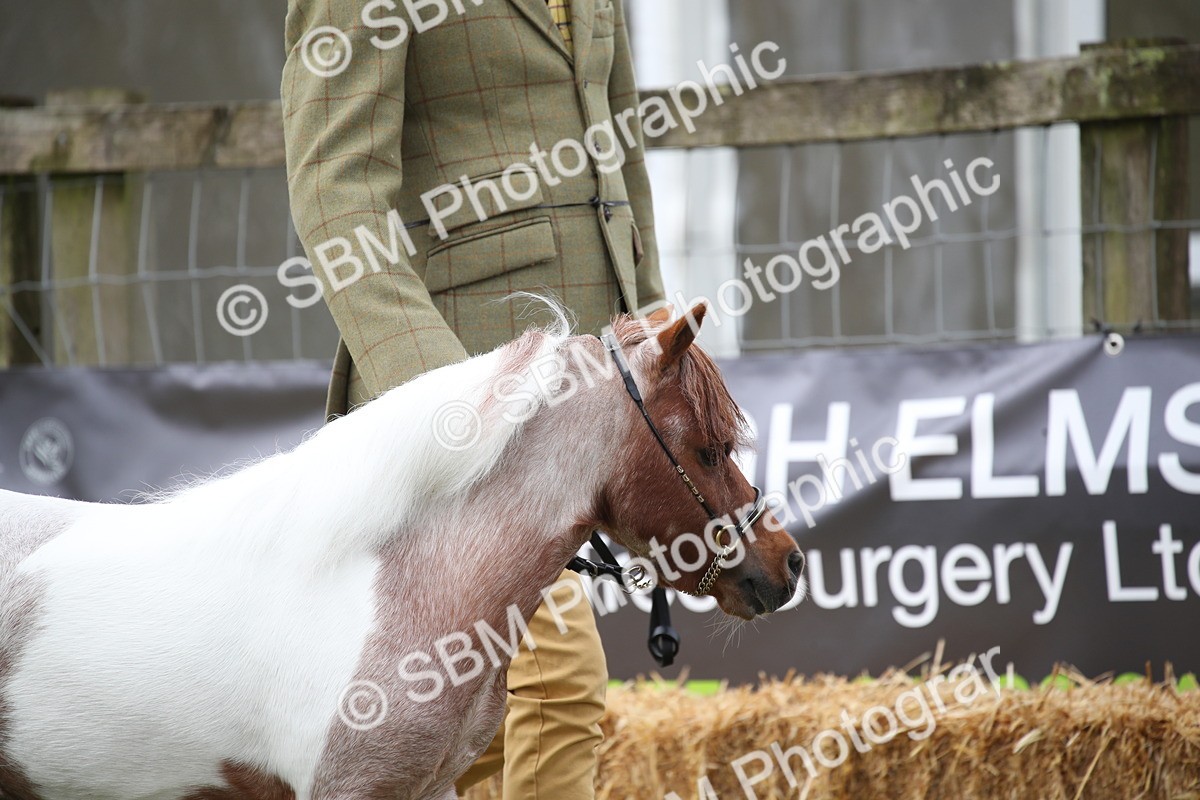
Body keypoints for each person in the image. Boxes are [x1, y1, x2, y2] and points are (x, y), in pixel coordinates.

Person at [281, 1, 665, 797]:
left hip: (586, 390)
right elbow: (335, 192)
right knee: (558, 683)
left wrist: (656, 347)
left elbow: (619, 156)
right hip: (457, 401)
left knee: (489, 726)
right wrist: (454, 406)